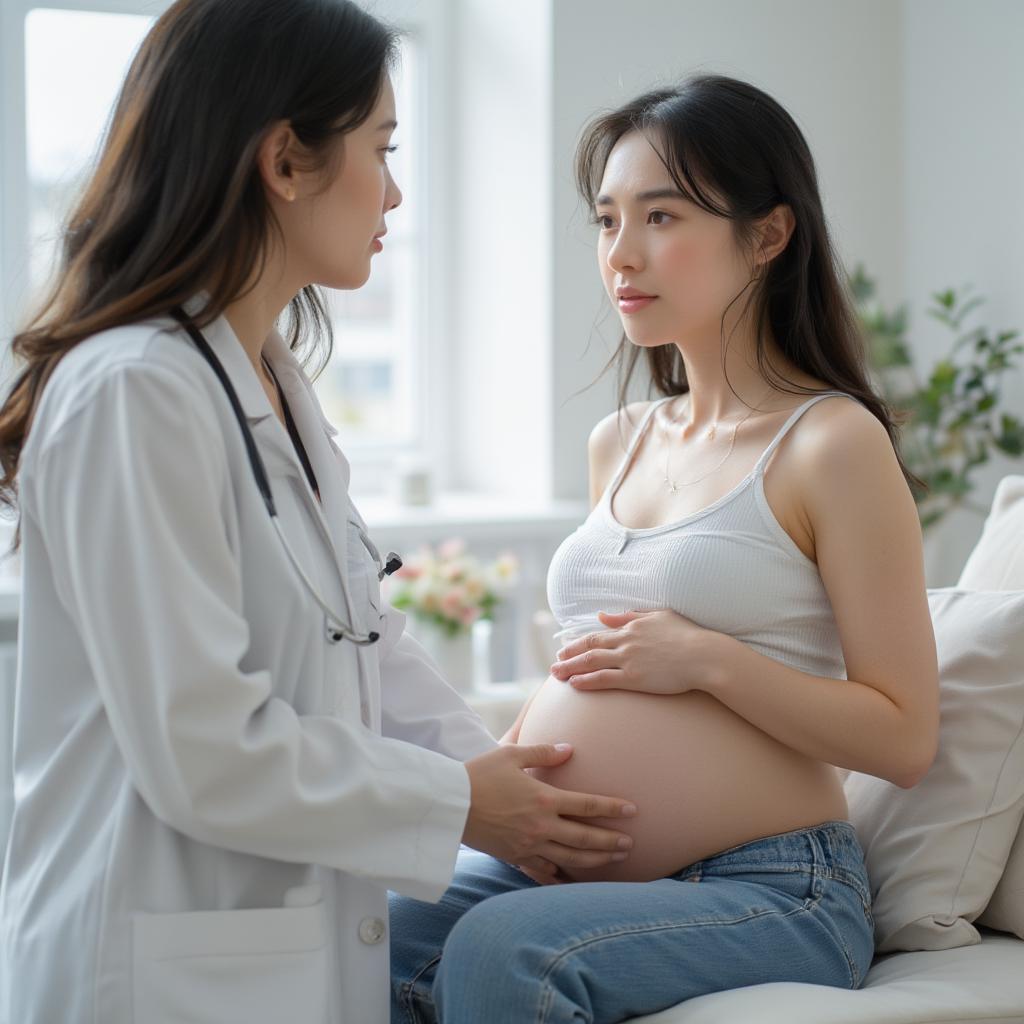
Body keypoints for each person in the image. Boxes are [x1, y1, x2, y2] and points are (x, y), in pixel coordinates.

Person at [0, 2, 639, 1022]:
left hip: (270, 956)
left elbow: (360, 643)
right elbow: (203, 748)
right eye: (380, 148)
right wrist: (467, 802)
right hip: (147, 970)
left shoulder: (271, 387)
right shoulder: (134, 390)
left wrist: (495, 770)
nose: (394, 190)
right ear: (284, 161)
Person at [389, 74, 940, 1022]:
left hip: (778, 886)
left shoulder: (830, 442)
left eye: (662, 216)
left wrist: (705, 660)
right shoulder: (623, 439)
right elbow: (587, 662)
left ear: (768, 236)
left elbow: (904, 736)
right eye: (607, 221)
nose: (622, 255)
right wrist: (508, 787)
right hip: (573, 870)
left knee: (502, 951)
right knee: (383, 923)